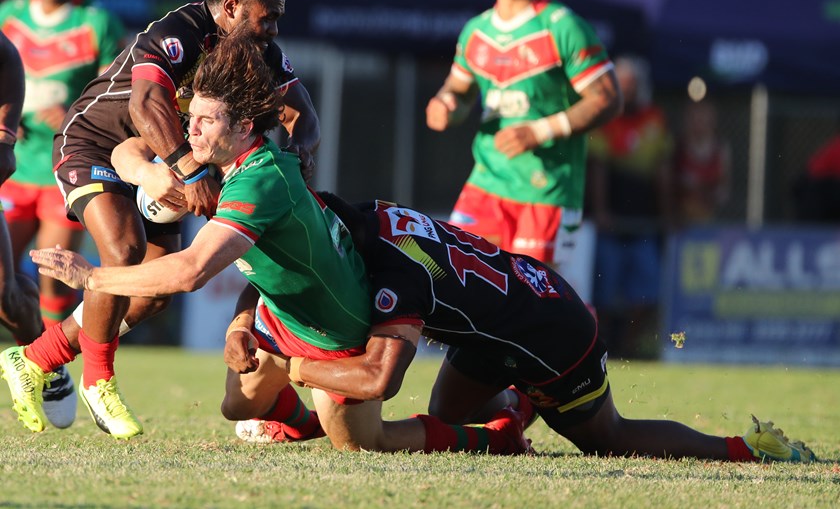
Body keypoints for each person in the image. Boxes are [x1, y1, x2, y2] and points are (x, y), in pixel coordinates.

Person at [23, 34, 533, 455]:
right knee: (237, 408)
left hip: (335, 337)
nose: (189, 132)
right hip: (281, 319)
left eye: (204, 122)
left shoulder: (259, 182)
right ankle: (299, 419)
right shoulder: (218, 154)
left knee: (363, 444)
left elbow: (189, 272)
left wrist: (91, 277)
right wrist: (148, 175)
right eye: (191, 118)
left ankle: (495, 437)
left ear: (244, 127)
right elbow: (132, 144)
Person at [223, 193, 815, 463]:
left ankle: (748, 449)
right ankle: (514, 417)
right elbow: (294, 261)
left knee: (608, 437)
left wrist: (297, 369)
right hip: (503, 315)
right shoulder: (365, 218)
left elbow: (378, 380)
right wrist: (247, 315)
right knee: (447, 416)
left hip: (550, 330)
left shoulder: (394, 277)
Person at [0, 0, 320, 439]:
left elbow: (304, 117)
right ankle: (98, 381)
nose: (274, 28)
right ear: (231, 8)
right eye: (267, 15)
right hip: (93, 143)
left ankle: (36, 357)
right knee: (124, 252)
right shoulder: (182, 29)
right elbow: (144, 103)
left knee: (153, 293)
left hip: (155, 160)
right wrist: (190, 170)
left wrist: (296, 157)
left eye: (278, 16)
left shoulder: (257, 52)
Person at [425, 0, 620, 283]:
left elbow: (608, 98)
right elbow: (458, 90)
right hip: (487, 181)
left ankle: (584, 332)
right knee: (453, 280)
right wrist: (444, 106)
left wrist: (540, 131)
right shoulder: (477, 31)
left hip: (546, 190)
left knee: (531, 299)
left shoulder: (563, 26)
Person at [0, 0, 125, 329]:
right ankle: (32, 349)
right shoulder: (8, 16)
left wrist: (72, 111)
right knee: (3, 286)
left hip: (63, 168)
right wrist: (5, 121)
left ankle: (50, 368)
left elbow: (116, 93)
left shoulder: (97, 22)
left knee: (53, 279)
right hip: (12, 168)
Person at [0, 28, 77, 429]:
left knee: (9, 293)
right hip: (21, 182)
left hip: (52, 172)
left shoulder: (95, 23)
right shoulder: (15, 13)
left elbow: (6, 54)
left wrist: (4, 133)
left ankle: (44, 360)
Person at [586, 56, 674, 358]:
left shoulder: (654, 119)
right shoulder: (604, 120)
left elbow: (662, 171)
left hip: (643, 224)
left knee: (646, 293)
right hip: (611, 225)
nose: (628, 91)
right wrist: (601, 211)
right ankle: (604, 346)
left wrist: (666, 214)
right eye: (622, 85)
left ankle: (629, 346)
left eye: (632, 85)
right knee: (604, 293)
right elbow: (598, 169)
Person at [674, 99, 730, 226]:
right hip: (680, 222)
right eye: (694, 116)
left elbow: (723, 192)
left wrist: (704, 192)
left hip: (708, 220)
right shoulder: (678, 147)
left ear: (712, 120)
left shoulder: (721, 149)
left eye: (703, 116)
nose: (698, 121)